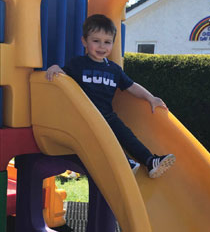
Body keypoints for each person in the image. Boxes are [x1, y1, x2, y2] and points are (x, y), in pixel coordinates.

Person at [46, 14, 175, 178]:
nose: (101, 46)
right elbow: (63, 77)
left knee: (127, 135)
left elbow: (131, 86)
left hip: (108, 115)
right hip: (85, 117)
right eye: (96, 41)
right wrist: (56, 67)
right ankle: (125, 161)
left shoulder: (114, 70)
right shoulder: (78, 64)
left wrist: (151, 97)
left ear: (113, 44)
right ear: (84, 41)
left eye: (107, 42)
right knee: (104, 138)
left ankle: (150, 161)